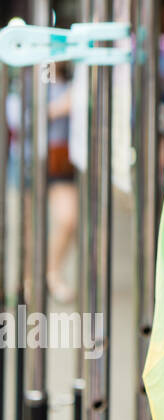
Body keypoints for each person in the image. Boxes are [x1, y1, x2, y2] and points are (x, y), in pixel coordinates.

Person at [46, 61, 78, 305]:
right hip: (35, 160)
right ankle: (35, 278)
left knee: (69, 219)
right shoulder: (34, 81)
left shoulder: (71, 84)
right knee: (30, 227)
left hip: (62, 161)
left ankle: (52, 273)